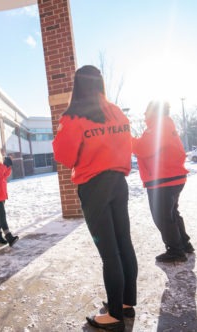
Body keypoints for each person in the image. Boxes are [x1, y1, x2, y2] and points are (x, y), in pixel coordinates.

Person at [52, 65, 138, 332]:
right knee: (124, 243)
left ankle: (114, 316)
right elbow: (127, 145)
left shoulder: (75, 116)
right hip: (118, 182)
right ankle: (124, 303)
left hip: (94, 185)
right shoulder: (117, 112)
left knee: (109, 251)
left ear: (78, 85)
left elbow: (64, 156)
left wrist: (62, 131)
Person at [132, 101, 194, 263]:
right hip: (171, 177)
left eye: (146, 111)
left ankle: (175, 251)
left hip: (163, 179)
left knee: (162, 217)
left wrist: (127, 138)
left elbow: (142, 149)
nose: (144, 114)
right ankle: (184, 245)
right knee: (172, 213)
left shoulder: (158, 127)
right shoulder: (164, 125)